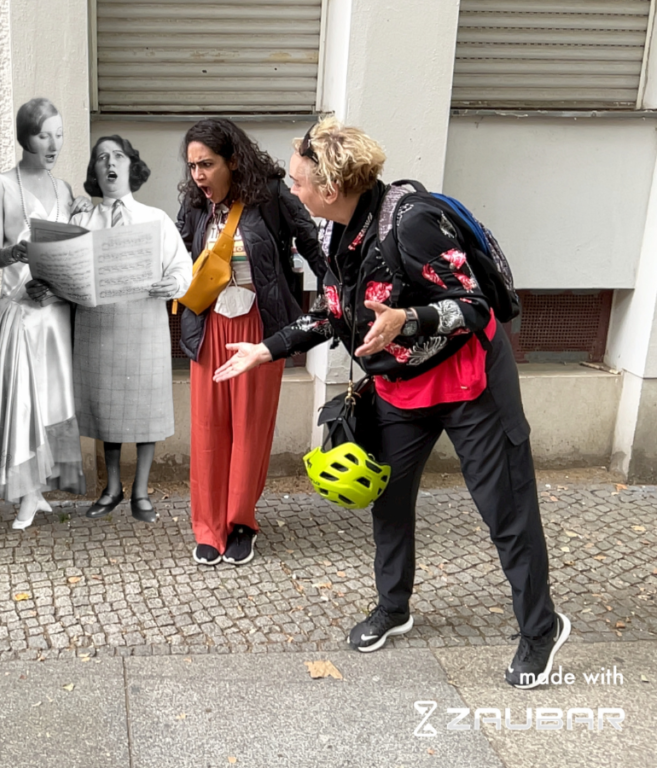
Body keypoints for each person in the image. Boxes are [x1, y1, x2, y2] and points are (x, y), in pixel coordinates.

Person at [213, 116, 570, 689]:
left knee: (506, 511)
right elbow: (333, 311)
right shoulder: (335, 230)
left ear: (330, 187)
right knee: (389, 497)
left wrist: (411, 317)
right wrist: (267, 348)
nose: (292, 188)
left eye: (299, 181)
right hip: (400, 389)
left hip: (468, 384)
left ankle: (540, 628)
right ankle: (394, 606)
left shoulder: (412, 223)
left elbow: (474, 306)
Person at [176, 118, 322, 566]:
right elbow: (175, 255)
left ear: (233, 161)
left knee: (251, 428)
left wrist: (340, 290)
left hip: (260, 328)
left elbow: (311, 242)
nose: (198, 175)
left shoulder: (272, 195)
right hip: (209, 326)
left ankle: (241, 522)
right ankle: (208, 525)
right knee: (208, 428)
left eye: (207, 164)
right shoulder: (195, 205)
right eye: (193, 166)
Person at [0, 98, 88, 529]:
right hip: (22, 312)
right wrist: (16, 251)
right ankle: (24, 491)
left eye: (59, 135)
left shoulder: (63, 190)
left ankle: (41, 487)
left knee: (53, 400)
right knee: (24, 402)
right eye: (45, 135)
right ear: (25, 136)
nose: (53, 144)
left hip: (55, 312)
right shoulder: (0, 185)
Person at [69, 135, 191, 522]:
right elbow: (62, 262)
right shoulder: (82, 220)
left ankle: (141, 491)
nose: (110, 163)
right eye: (101, 157)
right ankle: (112, 488)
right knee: (107, 407)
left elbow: (181, 268)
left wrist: (171, 285)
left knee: (144, 404)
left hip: (144, 321)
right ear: (95, 171)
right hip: (99, 323)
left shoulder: (155, 218)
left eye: (117, 155)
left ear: (130, 166)